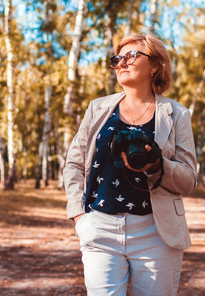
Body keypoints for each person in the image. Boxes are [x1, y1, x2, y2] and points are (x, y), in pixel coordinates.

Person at [63, 33, 197, 296]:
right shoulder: (98, 108)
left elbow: (189, 179)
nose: (122, 63)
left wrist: (158, 165)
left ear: (156, 65)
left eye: (132, 55)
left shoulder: (177, 114)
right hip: (99, 227)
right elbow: (74, 164)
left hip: (155, 232)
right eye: (117, 59)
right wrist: (80, 217)